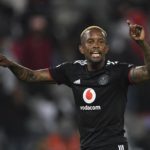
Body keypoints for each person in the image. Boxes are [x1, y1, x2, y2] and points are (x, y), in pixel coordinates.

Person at [0, 20, 150, 150]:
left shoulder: (119, 70)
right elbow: (31, 76)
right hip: (88, 146)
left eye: (100, 42)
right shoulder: (72, 70)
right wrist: (10, 64)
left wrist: (142, 44)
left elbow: (147, 72)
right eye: (90, 42)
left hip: (113, 146)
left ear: (106, 48)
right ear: (81, 49)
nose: (96, 46)